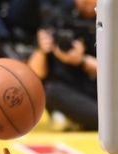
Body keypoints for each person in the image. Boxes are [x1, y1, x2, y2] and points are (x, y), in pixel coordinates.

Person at [28, 0, 98, 131]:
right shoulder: (58, 15)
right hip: (65, 88)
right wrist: (41, 50)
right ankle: (81, 118)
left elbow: (116, 74)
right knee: (51, 92)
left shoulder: (111, 20)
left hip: (98, 91)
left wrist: (82, 60)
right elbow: (36, 75)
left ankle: (81, 119)